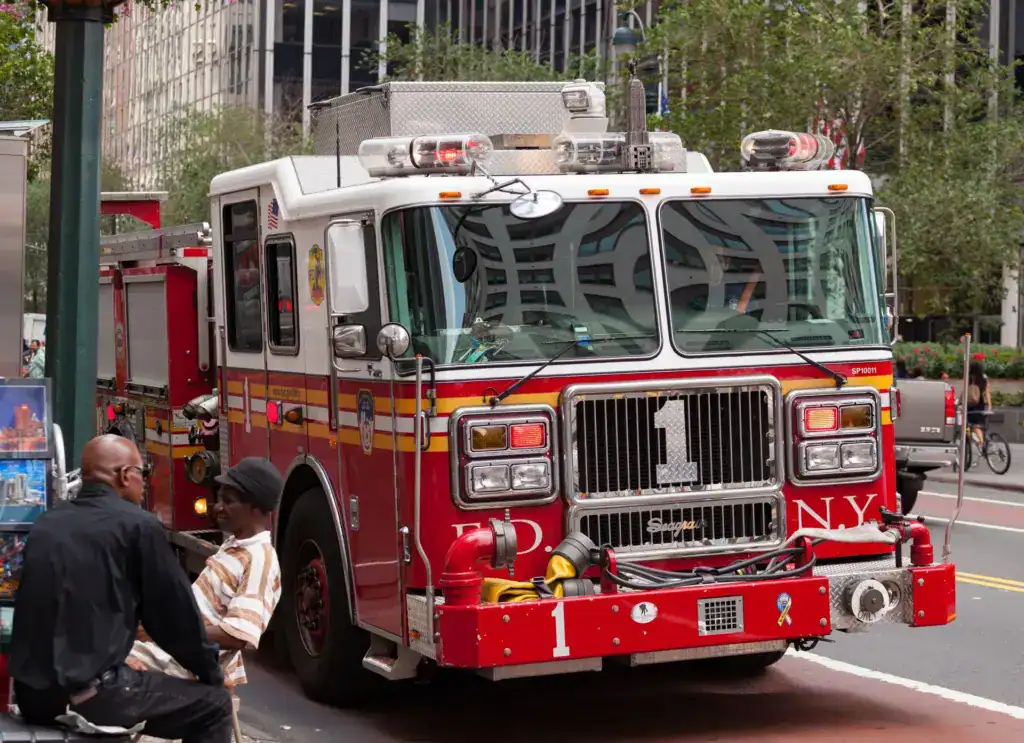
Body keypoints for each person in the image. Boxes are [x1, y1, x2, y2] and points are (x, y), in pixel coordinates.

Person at [9, 435, 233, 743]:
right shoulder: (139, 526)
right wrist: (212, 675)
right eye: (143, 474)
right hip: (95, 696)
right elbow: (174, 621)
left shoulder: (48, 522)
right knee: (215, 707)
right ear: (125, 475)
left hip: (33, 697)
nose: (143, 483)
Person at [129, 457, 283, 689]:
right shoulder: (235, 546)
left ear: (255, 508)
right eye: (219, 498)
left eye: (228, 501)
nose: (218, 507)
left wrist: (171, 631)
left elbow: (238, 635)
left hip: (185, 666)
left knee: (100, 661)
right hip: (173, 653)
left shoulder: (260, 560)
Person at [966, 360, 992, 447]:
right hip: (980, 404)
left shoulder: (969, 378)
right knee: (976, 425)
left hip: (970, 404)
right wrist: (989, 405)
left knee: (971, 425)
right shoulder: (984, 378)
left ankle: (980, 442)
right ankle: (980, 442)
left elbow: (966, 391)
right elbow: (987, 392)